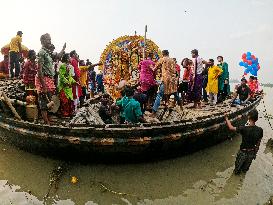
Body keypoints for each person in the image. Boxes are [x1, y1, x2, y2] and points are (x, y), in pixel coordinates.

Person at [225, 109, 263, 174]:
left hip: (243, 152)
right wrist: (255, 154)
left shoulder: (244, 129)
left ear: (249, 117)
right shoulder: (260, 130)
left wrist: (226, 118)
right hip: (251, 153)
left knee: (236, 171)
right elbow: (258, 144)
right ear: (257, 119)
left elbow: (231, 127)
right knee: (244, 171)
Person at [151, 50, 181, 116]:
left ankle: (154, 112)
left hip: (165, 79)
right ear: (168, 54)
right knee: (175, 93)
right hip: (173, 79)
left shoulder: (162, 59)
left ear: (162, 54)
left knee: (159, 95)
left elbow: (154, 69)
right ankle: (181, 107)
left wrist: (151, 67)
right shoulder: (172, 60)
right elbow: (176, 71)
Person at [35, 33, 56, 125]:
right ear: (42, 41)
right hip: (43, 78)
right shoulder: (41, 52)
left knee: (49, 99)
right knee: (43, 101)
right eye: (48, 39)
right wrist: (43, 85)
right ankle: (46, 121)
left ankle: (48, 118)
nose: (50, 41)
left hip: (49, 79)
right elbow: (39, 70)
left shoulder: (47, 52)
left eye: (50, 39)